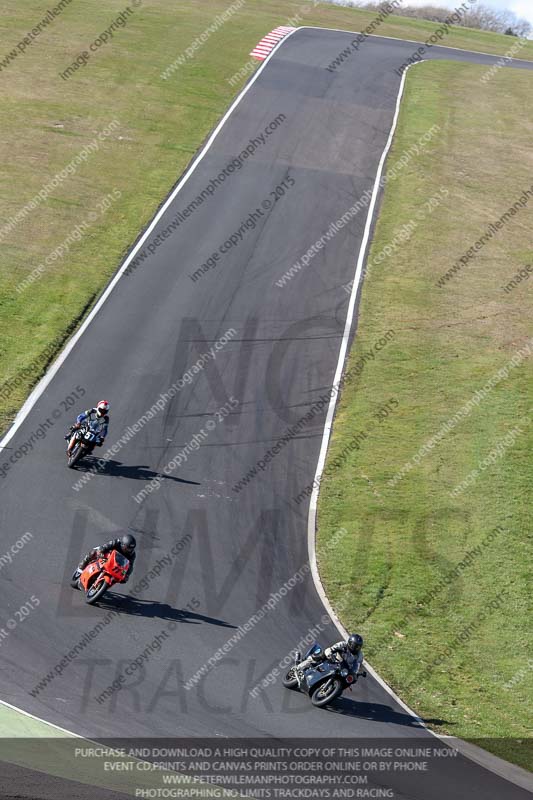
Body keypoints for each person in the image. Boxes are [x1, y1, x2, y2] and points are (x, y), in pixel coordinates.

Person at [296, 633, 364, 676]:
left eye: (358, 646)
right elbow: (332, 648)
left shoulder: (359, 655)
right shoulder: (343, 644)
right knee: (324, 655)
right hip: (333, 659)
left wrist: (358, 673)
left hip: (343, 668)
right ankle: (300, 666)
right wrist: (330, 654)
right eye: (354, 645)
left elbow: (358, 666)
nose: (355, 647)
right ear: (349, 642)